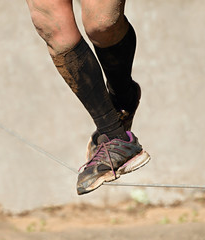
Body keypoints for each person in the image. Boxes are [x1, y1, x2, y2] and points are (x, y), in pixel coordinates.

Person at [25, 0, 150, 195]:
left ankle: (124, 95)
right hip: (114, 134)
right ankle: (116, 138)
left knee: (102, 23)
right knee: (51, 26)